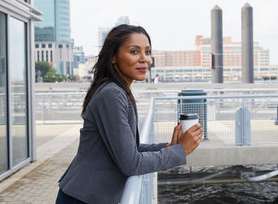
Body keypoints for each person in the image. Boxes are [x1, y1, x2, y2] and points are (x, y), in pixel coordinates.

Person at [56, 24, 203, 204]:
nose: (145, 59)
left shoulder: (119, 90)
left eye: (147, 52)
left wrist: (168, 147)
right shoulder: (112, 93)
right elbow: (131, 163)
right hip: (82, 198)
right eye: (134, 52)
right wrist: (180, 151)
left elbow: (129, 148)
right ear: (113, 57)